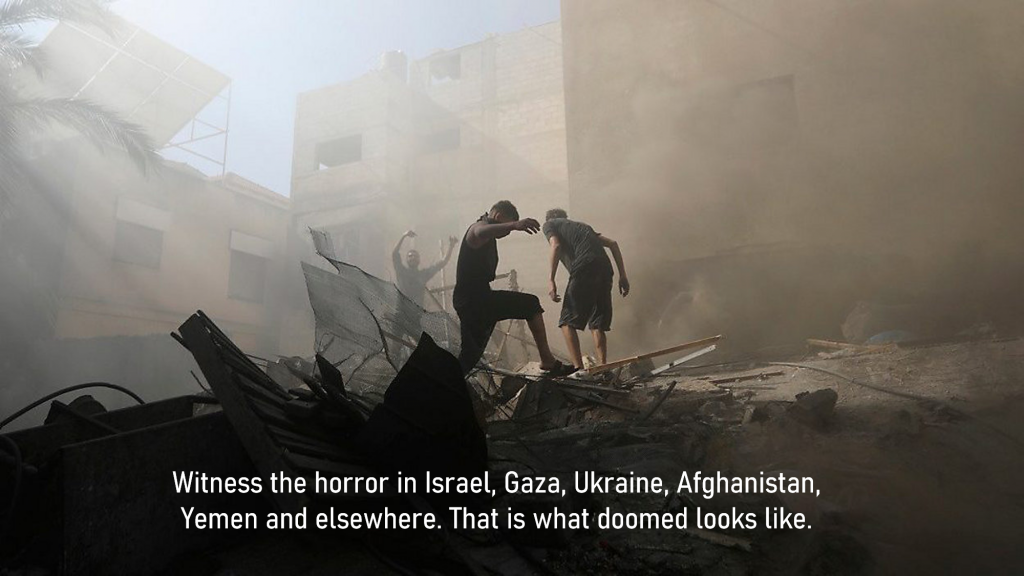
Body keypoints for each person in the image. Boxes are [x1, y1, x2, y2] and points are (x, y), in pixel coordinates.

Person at [453, 200, 574, 375]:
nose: (508, 232)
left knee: (469, 358)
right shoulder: (478, 227)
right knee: (530, 304)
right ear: (499, 216)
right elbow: (480, 231)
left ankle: (440, 388)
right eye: (507, 226)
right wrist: (516, 225)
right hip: (473, 301)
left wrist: (512, 226)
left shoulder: (488, 232)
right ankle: (548, 360)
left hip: (478, 299)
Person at [543, 208, 630, 373]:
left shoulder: (550, 224)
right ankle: (603, 367)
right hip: (605, 269)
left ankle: (578, 369)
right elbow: (613, 244)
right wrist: (623, 276)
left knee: (567, 321)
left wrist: (551, 279)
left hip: (585, 268)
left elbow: (556, 245)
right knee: (597, 322)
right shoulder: (582, 227)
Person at [392, 230, 457, 308]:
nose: (413, 258)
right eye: (410, 256)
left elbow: (443, 262)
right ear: (406, 259)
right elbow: (395, 253)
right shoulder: (401, 272)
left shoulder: (423, 274)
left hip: (416, 313)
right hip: (401, 311)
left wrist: (451, 246)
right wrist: (404, 235)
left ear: (419, 260)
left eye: (415, 256)